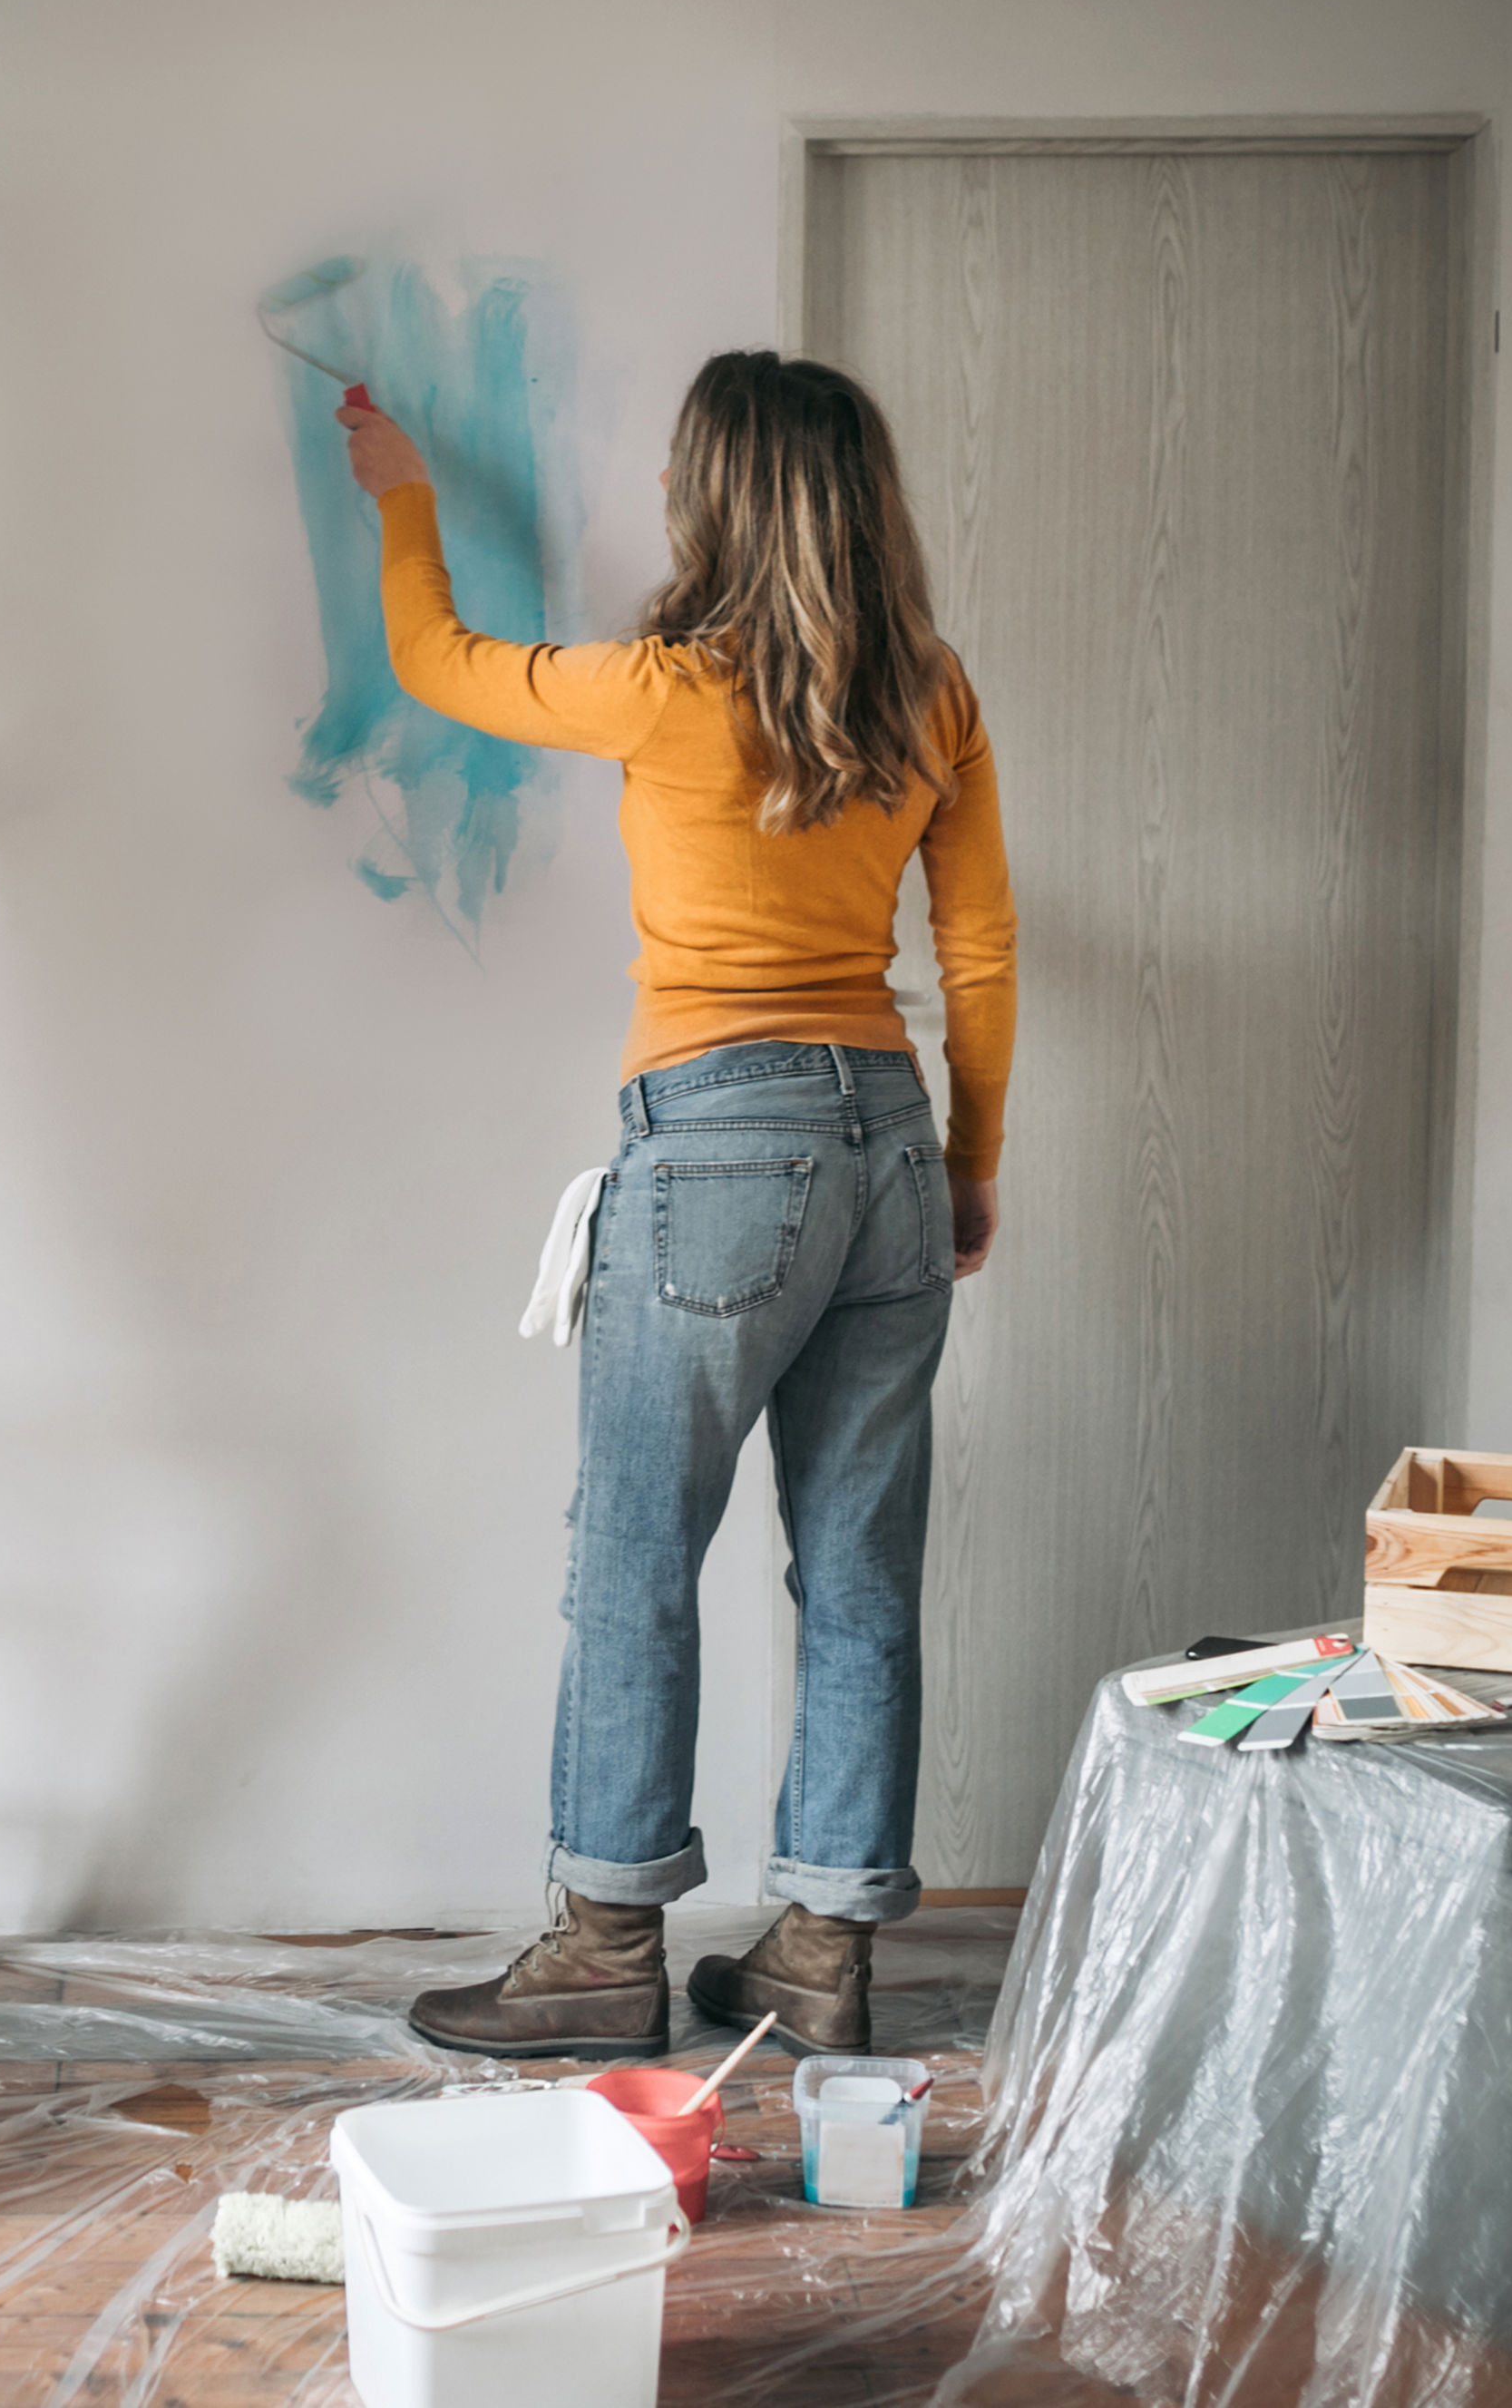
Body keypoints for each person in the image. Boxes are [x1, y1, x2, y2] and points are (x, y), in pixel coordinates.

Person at [341, 354, 1015, 2056]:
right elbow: (981, 953)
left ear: (714, 499)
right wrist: (969, 1166)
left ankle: (600, 1948)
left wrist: (403, 492)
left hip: (717, 1144)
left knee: (638, 1555)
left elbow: (436, 660)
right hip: (887, 1147)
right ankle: (817, 1957)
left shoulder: (663, 688)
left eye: (675, 475)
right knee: (858, 1567)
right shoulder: (931, 696)